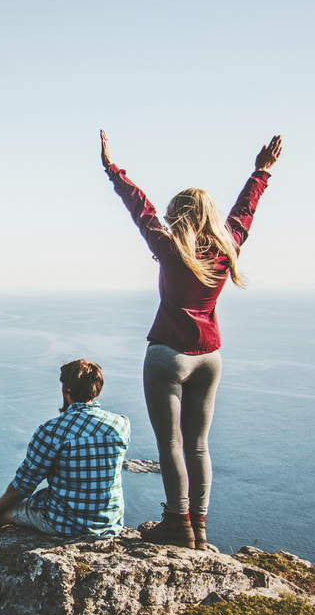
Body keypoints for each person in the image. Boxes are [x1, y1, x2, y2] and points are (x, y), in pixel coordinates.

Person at [100, 130, 282, 550]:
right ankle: (198, 526)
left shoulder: (168, 247)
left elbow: (140, 207)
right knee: (198, 446)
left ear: (178, 216)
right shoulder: (227, 247)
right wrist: (261, 171)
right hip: (210, 357)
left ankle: (177, 523)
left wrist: (112, 169)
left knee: (171, 444)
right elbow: (244, 211)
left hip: (168, 355)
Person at [0, 360, 130, 577]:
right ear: (97, 389)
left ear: (65, 388)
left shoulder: (52, 431)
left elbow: (25, 484)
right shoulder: (121, 425)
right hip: (108, 522)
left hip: (65, 520)